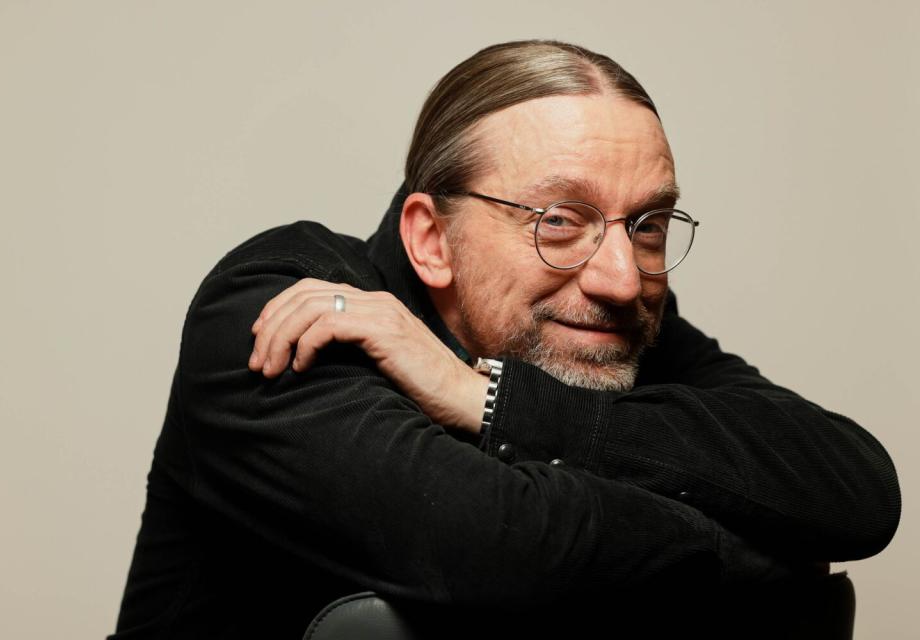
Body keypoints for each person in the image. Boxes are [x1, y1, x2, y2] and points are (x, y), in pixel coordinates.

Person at [110, 40, 900, 639]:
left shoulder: (606, 314)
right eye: (559, 221)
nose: (622, 278)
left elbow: (857, 490)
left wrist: (493, 400)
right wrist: (766, 556)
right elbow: (500, 554)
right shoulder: (291, 306)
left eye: (649, 224)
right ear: (430, 239)